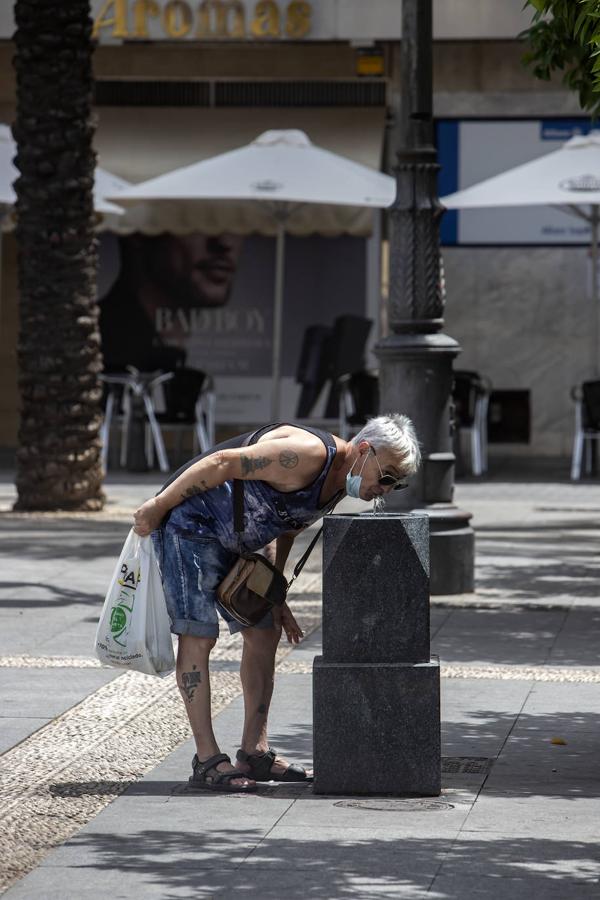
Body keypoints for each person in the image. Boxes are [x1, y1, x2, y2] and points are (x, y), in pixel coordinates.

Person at [132, 414, 421, 792]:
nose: (385, 489)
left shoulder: (338, 484)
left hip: (237, 542)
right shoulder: (304, 455)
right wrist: (158, 505)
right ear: (364, 451)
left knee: (264, 632)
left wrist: (274, 591)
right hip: (191, 527)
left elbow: (287, 526)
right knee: (199, 635)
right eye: (386, 477)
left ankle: (254, 751)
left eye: (396, 485)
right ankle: (206, 759)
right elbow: (222, 463)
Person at [99, 233, 244, 372]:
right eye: (197, 217)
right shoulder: (93, 347)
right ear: (137, 232)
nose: (225, 243)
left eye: (238, 220)